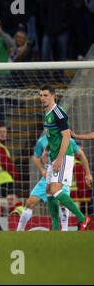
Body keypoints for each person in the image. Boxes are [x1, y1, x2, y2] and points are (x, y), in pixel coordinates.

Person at [37, 85, 90, 231]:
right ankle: (55, 227)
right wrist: (46, 150)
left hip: (64, 156)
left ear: (53, 96)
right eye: (41, 95)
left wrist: (60, 158)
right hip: (54, 155)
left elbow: (66, 136)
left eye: (45, 95)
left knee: (55, 190)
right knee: (48, 190)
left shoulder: (58, 113)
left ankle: (82, 218)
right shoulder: (46, 112)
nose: (42, 98)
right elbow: (53, 135)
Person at [17, 134, 92, 231]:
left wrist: (88, 173)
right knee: (31, 202)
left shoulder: (67, 140)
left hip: (61, 174)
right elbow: (36, 158)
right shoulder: (42, 141)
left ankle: (65, 230)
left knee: (62, 202)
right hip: (48, 175)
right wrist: (42, 170)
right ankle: (19, 231)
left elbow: (81, 154)